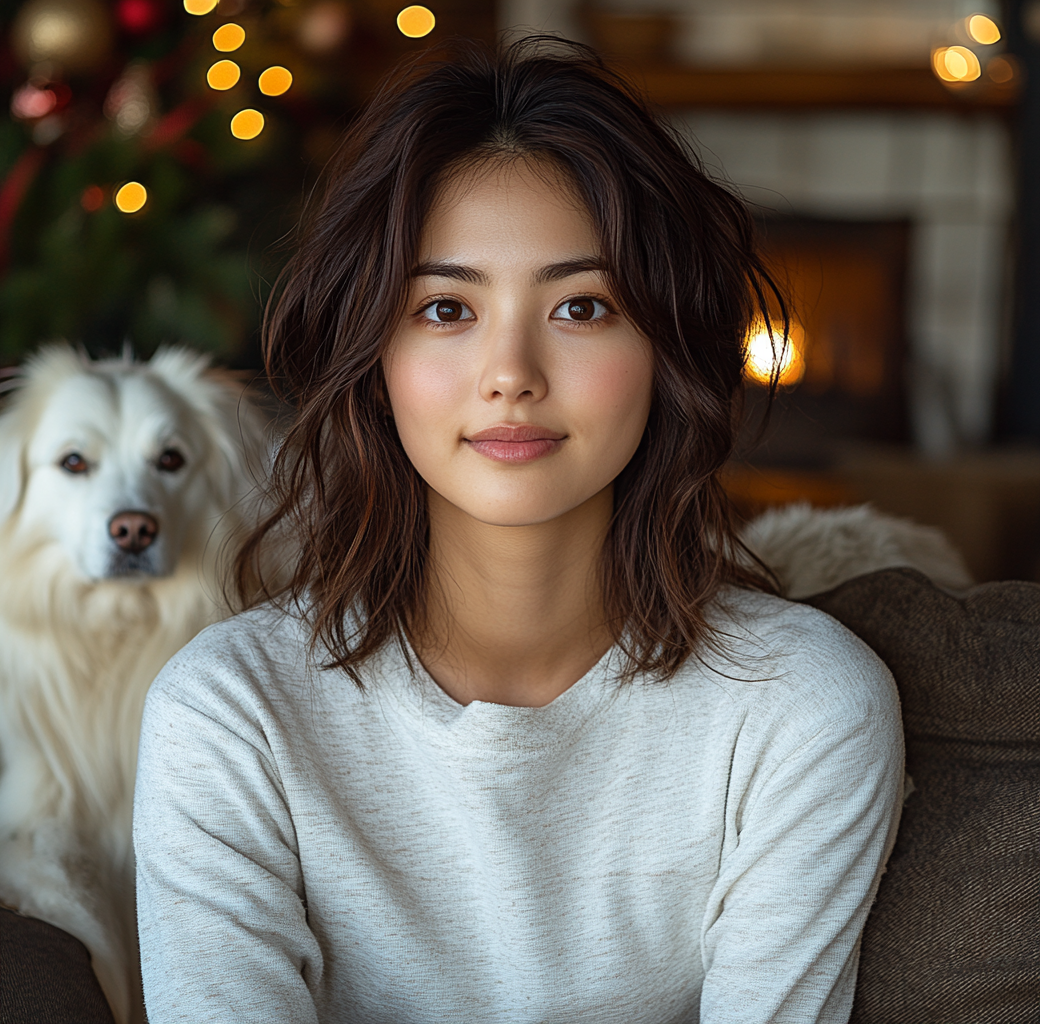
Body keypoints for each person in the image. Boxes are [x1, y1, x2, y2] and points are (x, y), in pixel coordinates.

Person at [133, 37, 904, 1024]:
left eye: (579, 305)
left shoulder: (800, 710)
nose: (511, 371)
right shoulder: (228, 716)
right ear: (374, 357)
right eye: (445, 307)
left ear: (665, 347)